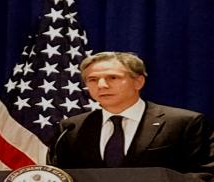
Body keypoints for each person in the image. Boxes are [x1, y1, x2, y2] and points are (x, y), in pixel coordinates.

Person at [48, 52, 214, 180]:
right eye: (92, 79)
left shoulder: (184, 123)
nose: (102, 85)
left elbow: (206, 174)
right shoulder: (71, 128)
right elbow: (59, 175)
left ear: (138, 82)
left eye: (113, 77)